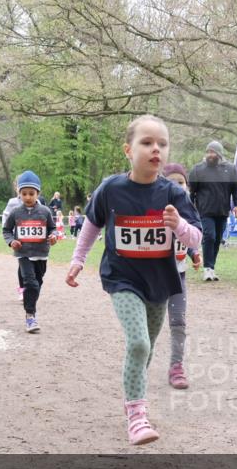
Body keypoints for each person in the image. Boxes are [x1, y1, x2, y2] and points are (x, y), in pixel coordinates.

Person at [66, 115, 202, 445]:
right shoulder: (111, 189)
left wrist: (178, 226)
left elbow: (197, 238)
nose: (156, 149)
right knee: (139, 343)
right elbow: (91, 225)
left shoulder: (173, 193)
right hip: (122, 278)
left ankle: (133, 394)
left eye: (162, 144)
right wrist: (77, 259)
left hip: (160, 282)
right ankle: (137, 415)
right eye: (147, 142)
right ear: (128, 150)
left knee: (147, 348)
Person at [162, 164, 203, 389]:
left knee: (178, 321)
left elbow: (188, 237)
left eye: (181, 182)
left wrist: (194, 253)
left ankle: (176, 366)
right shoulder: (158, 211)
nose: (177, 186)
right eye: (171, 182)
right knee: (152, 324)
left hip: (179, 277)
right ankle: (141, 362)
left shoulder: (187, 212)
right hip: (156, 278)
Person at [2, 171, 57, 332]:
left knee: (37, 284)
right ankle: (30, 316)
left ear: (37, 193)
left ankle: (29, 300)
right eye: (24, 193)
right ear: (19, 194)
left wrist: (53, 236)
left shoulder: (45, 211)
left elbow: (52, 228)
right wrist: (11, 241)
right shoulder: (16, 212)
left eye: (31, 193)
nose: (27, 197)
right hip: (23, 253)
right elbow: (6, 230)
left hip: (41, 254)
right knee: (30, 282)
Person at [188, 141, 237, 282]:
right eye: (208, 152)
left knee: (217, 239)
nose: (210, 155)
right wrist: (190, 208)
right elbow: (192, 192)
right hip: (205, 210)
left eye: (213, 152)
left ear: (219, 154)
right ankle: (207, 269)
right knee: (210, 236)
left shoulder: (230, 169)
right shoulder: (197, 170)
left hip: (222, 211)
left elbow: (236, 188)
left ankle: (211, 268)